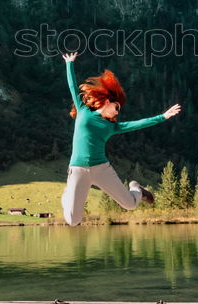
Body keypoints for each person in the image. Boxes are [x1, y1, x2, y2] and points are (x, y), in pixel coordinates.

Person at [60, 51, 181, 226]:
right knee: (72, 220)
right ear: (108, 101)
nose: (118, 112)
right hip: (78, 170)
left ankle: (136, 188)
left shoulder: (112, 126)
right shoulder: (83, 110)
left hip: (101, 169)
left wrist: (162, 117)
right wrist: (69, 64)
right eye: (117, 107)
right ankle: (66, 195)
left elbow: (139, 124)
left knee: (130, 204)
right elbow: (72, 87)